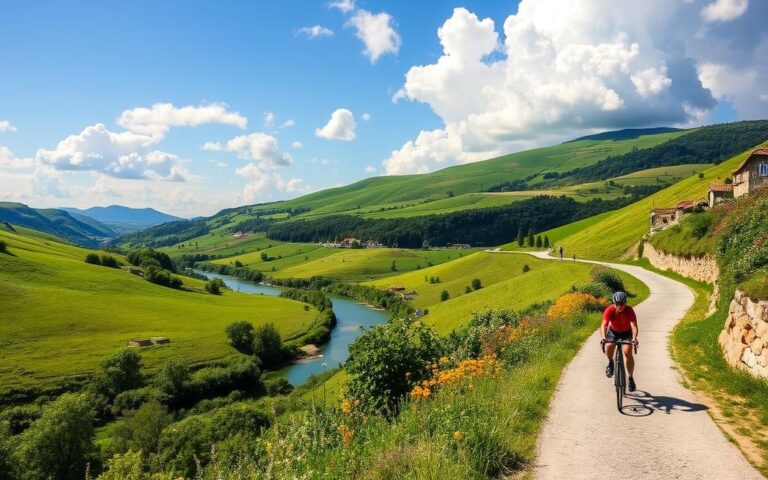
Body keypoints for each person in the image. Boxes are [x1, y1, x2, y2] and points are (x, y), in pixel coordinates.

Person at [601, 291, 639, 392]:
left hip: (626, 333)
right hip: (613, 332)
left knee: (627, 352)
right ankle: (610, 362)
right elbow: (604, 325)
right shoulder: (610, 310)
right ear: (614, 303)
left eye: (622, 303)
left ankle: (630, 378)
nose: (620, 306)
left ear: (625, 303)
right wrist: (603, 337)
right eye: (617, 303)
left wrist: (634, 338)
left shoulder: (629, 310)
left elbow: (634, 326)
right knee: (609, 345)